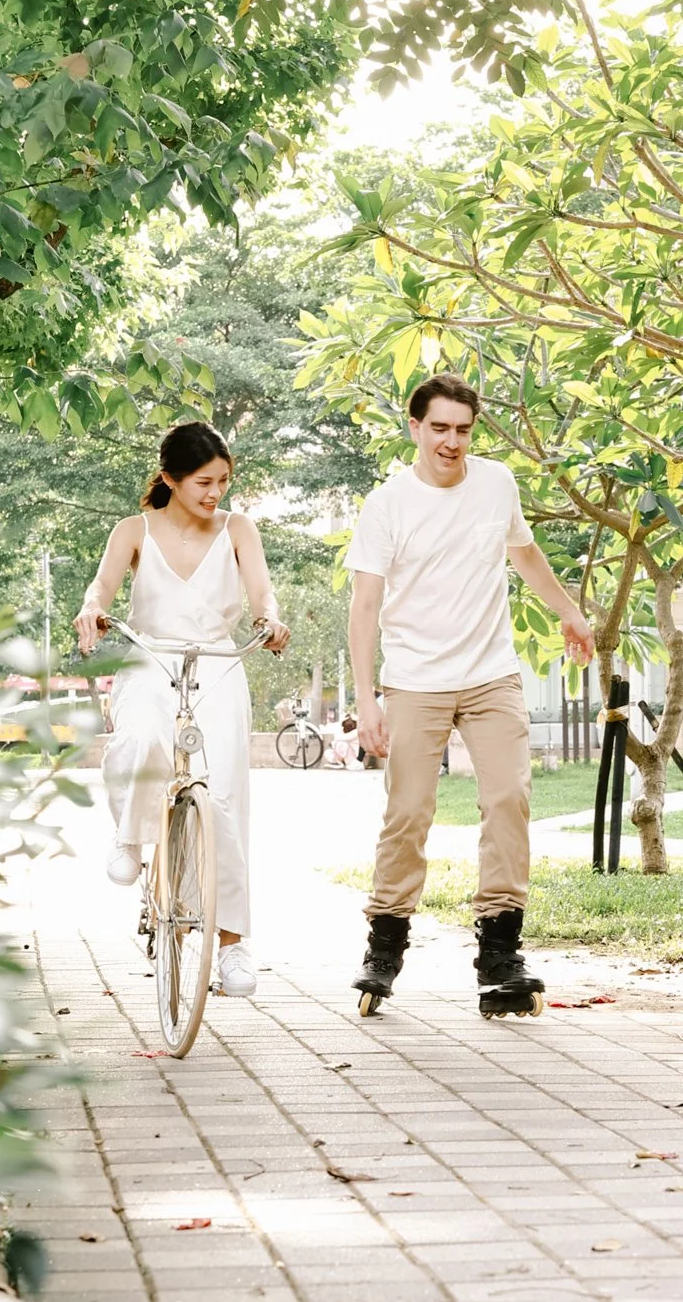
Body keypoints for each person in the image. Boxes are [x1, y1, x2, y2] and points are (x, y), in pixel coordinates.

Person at [346, 374, 595, 1014]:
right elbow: (365, 604)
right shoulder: (388, 504)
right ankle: (385, 942)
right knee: (408, 811)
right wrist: (367, 698)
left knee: (509, 797)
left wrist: (569, 612)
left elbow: (525, 554)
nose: (451, 442)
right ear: (415, 428)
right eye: (439, 428)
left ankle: (500, 950)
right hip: (415, 680)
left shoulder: (496, 483)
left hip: (491, 673)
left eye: (462, 430)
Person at [74, 421, 289, 996]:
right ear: (169, 478)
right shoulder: (134, 529)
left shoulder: (238, 529)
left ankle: (233, 946)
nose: (216, 493)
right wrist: (92, 611)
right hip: (151, 656)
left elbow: (262, 592)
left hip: (218, 661)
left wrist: (269, 619)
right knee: (141, 739)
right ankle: (130, 835)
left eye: (223, 481)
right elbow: (101, 588)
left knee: (224, 799)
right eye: (203, 482)